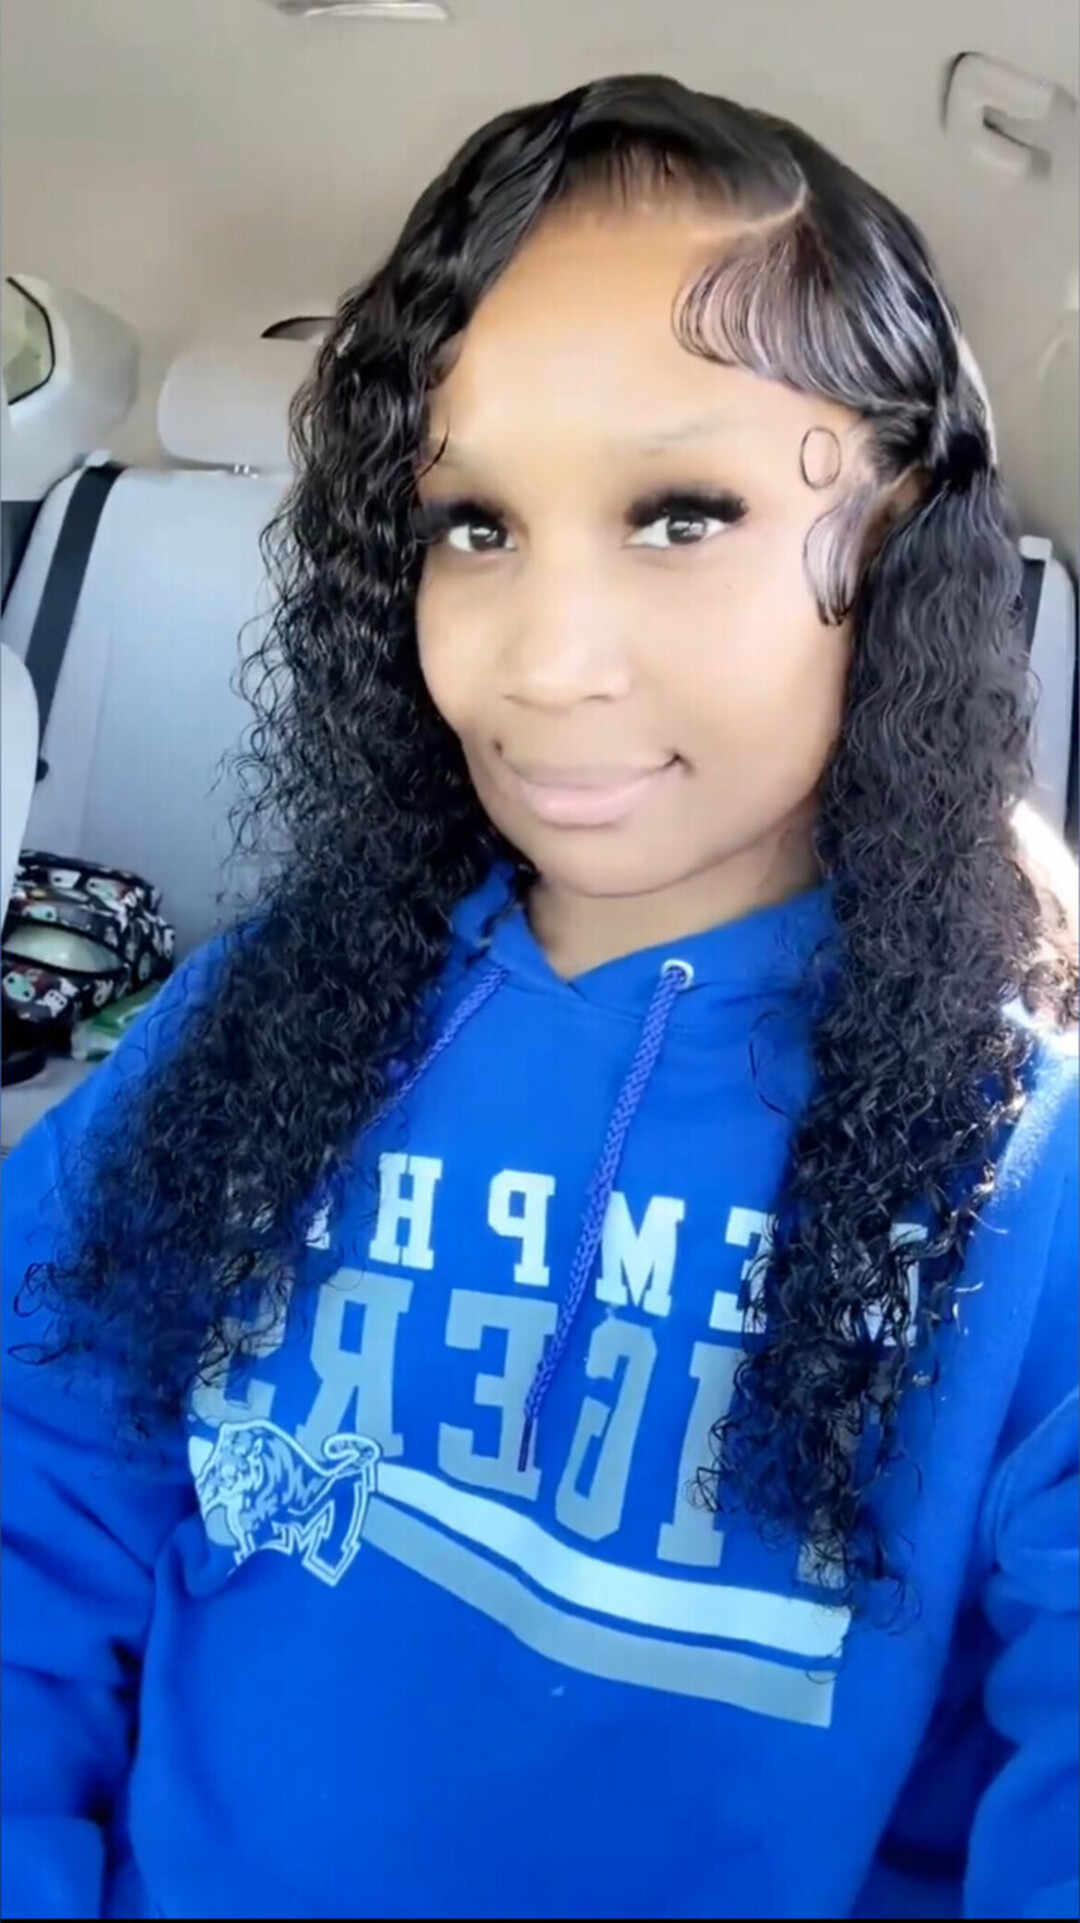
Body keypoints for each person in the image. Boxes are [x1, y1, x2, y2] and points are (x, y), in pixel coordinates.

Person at [2, 74, 1077, 1923]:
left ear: (895, 543)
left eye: (682, 514)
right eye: (472, 526)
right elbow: (36, 1487)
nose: (546, 662)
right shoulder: (255, 1023)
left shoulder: (1027, 1169)